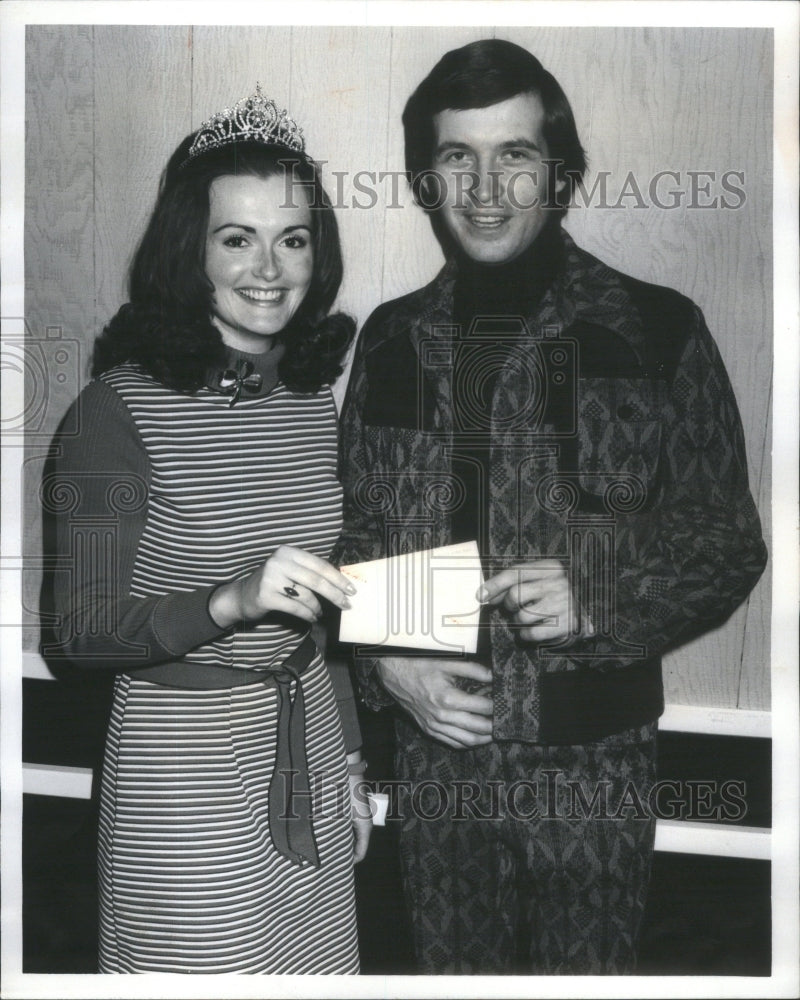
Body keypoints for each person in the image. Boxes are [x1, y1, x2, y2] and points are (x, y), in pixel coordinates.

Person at [336, 40, 767, 974]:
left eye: (516, 156)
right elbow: (363, 534)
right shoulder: (393, 339)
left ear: (561, 172)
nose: (486, 188)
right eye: (458, 157)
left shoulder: (657, 329)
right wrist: (388, 664)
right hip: (437, 760)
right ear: (426, 179)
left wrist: (599, 596)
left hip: (595, 765)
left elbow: (726, 543)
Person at [48, 86, 371, 974]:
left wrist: (349, 761)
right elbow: (76, 633)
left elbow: (324, 614)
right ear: (190, 251)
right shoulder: (112, 411)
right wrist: (227, 601)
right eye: (237, 238)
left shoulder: (310, 400)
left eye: (292, 238)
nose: (268, 267)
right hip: (182, 769)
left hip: (306, 741)